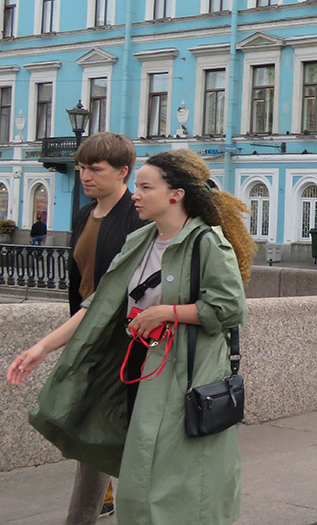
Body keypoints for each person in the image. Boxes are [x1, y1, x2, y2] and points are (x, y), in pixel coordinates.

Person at [8, 149, 254, 524]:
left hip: (186, 373)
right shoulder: (140, 241)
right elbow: (100, 303)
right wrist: (42, 347)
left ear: (176, 194)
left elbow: (229, 309)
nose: (135, 194)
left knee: (175, 473)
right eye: (136, 186)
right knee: (142, 470)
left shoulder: (206, 243)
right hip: (141, 367)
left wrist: (165, 312)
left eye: (145, 187)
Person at [58, 133, 146, 522]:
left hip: (126, 340)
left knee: (114, 431)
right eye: (81, 168)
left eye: (94, 169)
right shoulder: (82, 215)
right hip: (87, 333)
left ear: (123, 171)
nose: (84, 176)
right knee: (89, 431)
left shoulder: (137, 214)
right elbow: (80, 282)